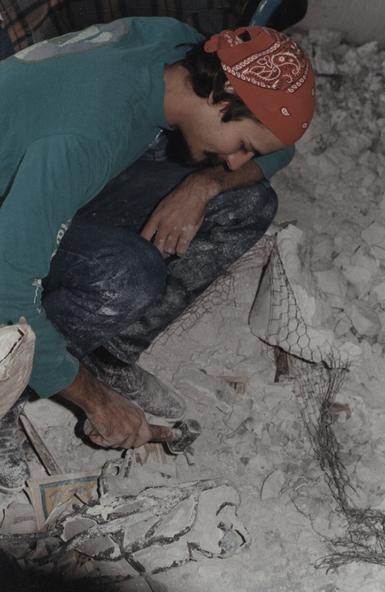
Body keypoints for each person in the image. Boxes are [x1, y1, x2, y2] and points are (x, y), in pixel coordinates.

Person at [0, 16, 315, 490]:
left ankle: (107, 355)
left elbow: (280, 152)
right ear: (218, 95)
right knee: (126, 275)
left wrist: (204, 183)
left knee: (245, 200)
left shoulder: (177, 47)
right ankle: (11, 397)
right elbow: (8, 296)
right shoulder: (82, 133)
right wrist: (95, 402)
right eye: (244, 146)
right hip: (17, 208)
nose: (237, 160)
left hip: (50, 178)